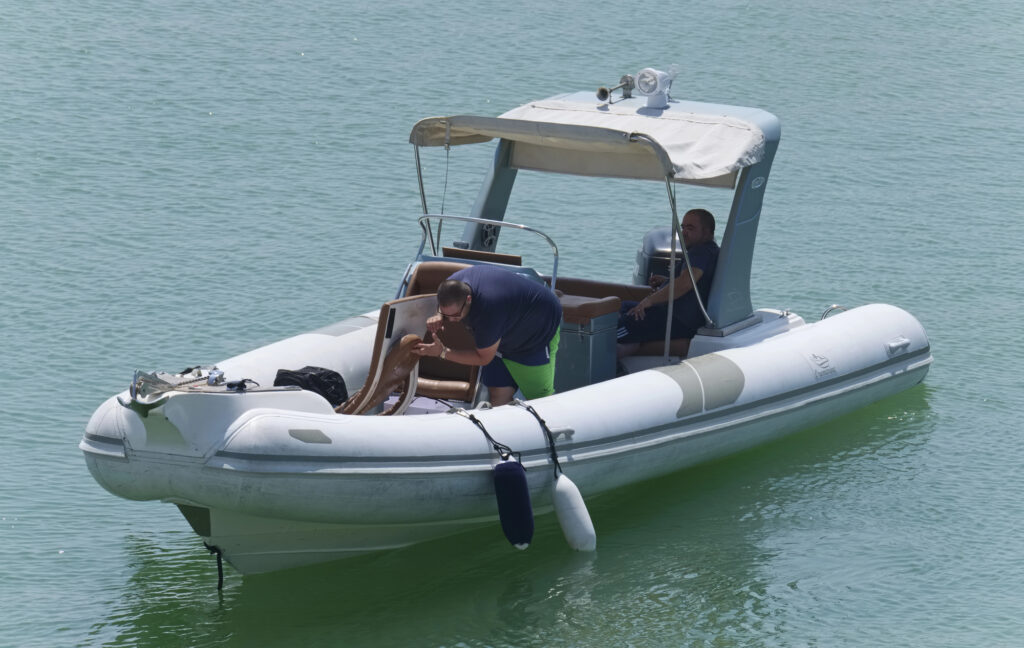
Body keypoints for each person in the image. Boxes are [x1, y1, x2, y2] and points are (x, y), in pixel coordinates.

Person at [413, 265, 563, 406]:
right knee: (497, 395)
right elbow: (444, 303)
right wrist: (438, 314)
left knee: (539, 401)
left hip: (535, 335)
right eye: (446, 315)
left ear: (469, 299)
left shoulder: (488, 311)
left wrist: (442, 352)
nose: (451, 320)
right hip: (503, 333)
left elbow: (483, 358)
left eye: (455, 315)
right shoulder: (453, 283)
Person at [617, 209, 719, 358]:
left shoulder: (700, 252)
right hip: (679, 317)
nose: (684, 232)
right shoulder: (711, 251)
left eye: (690, 228)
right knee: (624, 306)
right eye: (683, 227)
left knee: (610, 332)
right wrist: (666, 281)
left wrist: (649, 301)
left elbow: (686, 283)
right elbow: (695, 283)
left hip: (675, 318)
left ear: (707, 231)